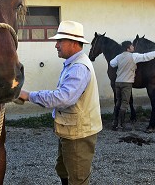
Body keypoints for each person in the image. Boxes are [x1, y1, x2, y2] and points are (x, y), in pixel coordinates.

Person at [18, 21, 102, 185]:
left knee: (77, 178)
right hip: (72, 130)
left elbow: (63, 98)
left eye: (59, 41)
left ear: (73, 43)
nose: (56, 45)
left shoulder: (78, 67)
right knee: (64, 169)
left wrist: (29, 95)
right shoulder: (74, 64)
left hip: (79, 133)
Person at [110, 41, 155, 131]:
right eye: (132, 46)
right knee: (125, 103)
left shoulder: (118, 57)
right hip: (127, 83)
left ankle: (114, 123)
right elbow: (146, 56)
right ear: (128, 48)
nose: (133, 47)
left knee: (118, 102)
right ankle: (120, 125)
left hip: (118, 82)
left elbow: (112, 63)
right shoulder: (133, 56)